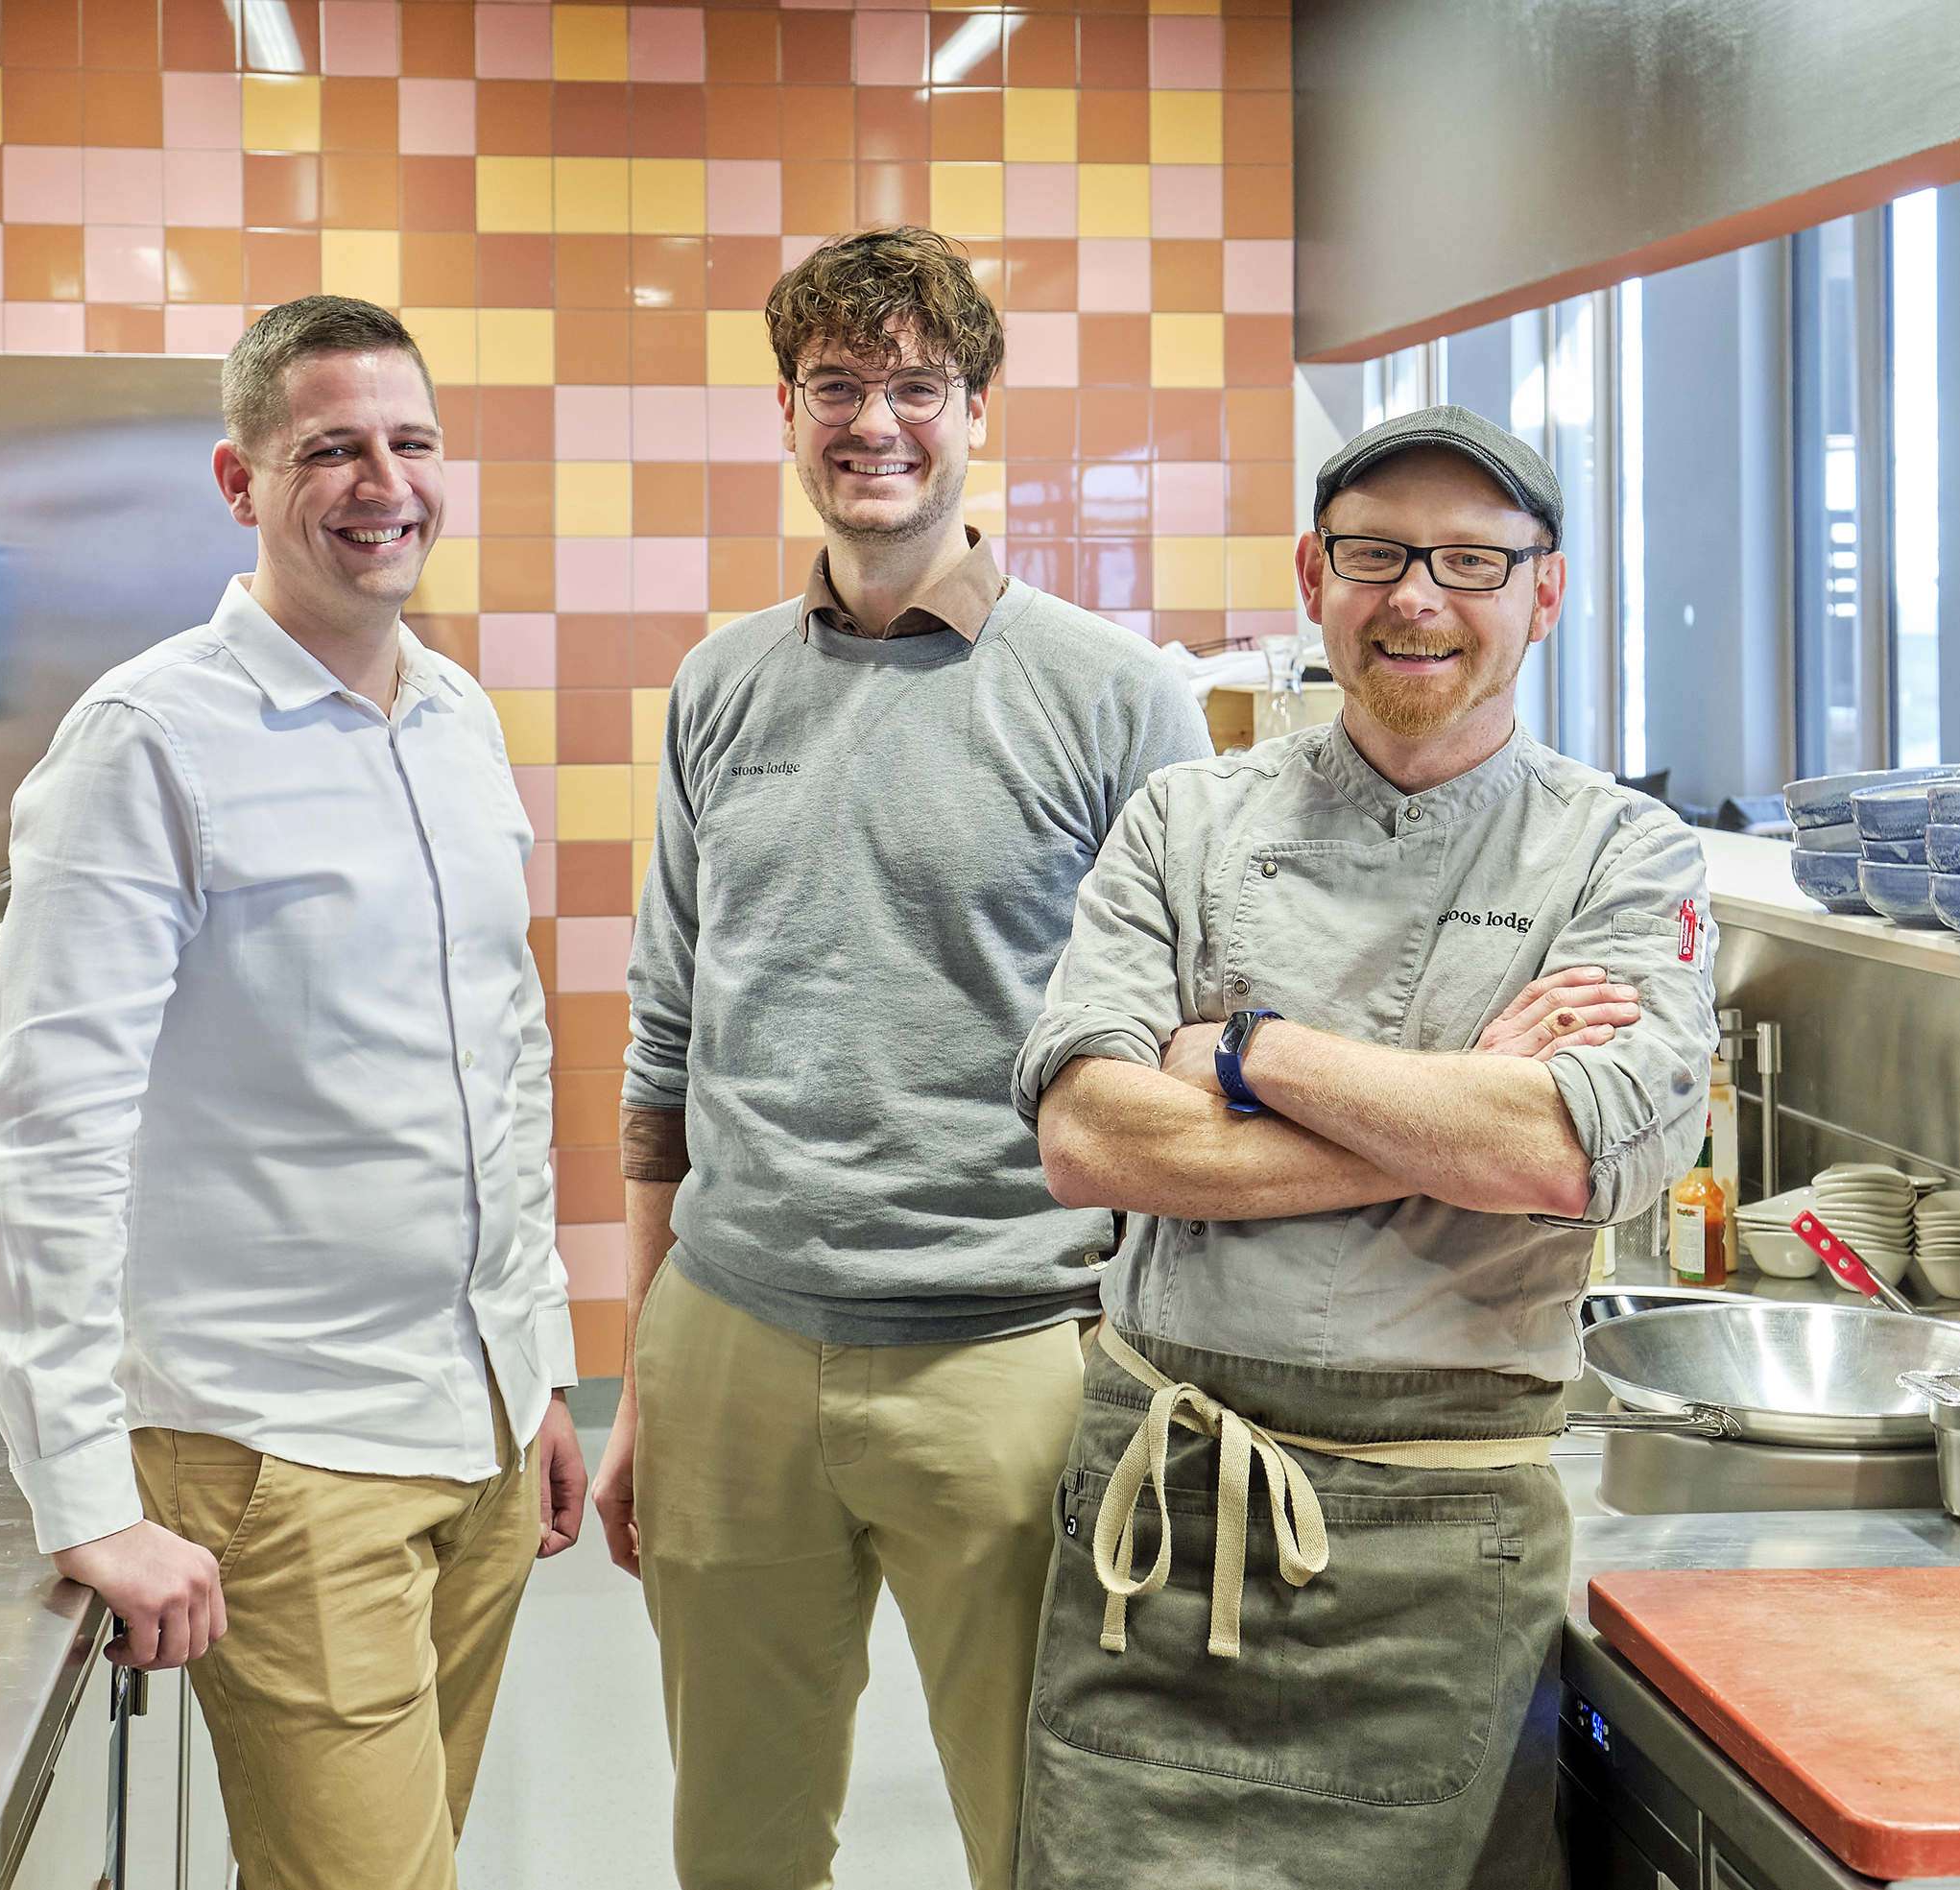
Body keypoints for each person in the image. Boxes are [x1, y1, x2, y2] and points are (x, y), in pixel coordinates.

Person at [1008, 404, 1718, 1890]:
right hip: (1166, 1496)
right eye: (1376, 553)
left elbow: (1573, 1158)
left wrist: (1251, 1053)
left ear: (1547, 589)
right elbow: (1084, 1132)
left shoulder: (1619, 851)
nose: (1416, 597)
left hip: (1443, 1537)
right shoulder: (1179, 820)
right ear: (1310, 575)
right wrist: (1459, 1107)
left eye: (1470, 559)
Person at [583, 225, 1213, 1890]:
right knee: (737, 1841)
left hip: (1010, 1352)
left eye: (916, 386)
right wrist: (647, 1361)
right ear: (785, 412)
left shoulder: (1112, 695)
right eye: (837, 386)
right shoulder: (717, 685)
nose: (877, 424)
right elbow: (666, 1034)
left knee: (1046, 1836)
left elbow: (1182, 1047)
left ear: (978, 409)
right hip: (731, 1343)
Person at [0, 296, 586, 1890]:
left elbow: (499, 1060)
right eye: (331, 448)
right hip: (284, 1447)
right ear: (242, 483)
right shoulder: (150, 739)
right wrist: (80, 1490)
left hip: (480, 1428)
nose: (384, 482)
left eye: (411, 441)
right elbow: (47, 1130)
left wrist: (543, 1364)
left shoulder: (452, 715)